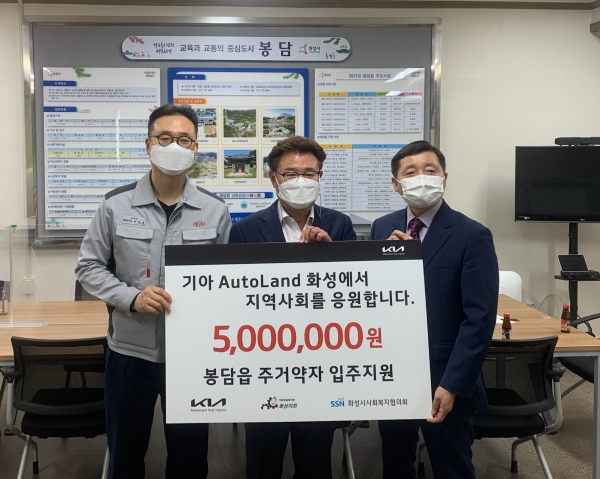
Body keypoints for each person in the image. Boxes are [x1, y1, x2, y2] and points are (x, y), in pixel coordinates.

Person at [76, 104, 231, 479]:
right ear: (148, 144)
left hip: (190, 355)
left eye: (184, 139)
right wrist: (131, 297)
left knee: (190, 459)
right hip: (130, 353)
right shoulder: (115, 205)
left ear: (196, 148)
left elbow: (226, 281)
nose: (174, 146)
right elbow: (88, 267)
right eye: (164, 138)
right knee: (126, 456)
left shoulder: (215, 210)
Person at [369, 140, 499, 479]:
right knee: (395, 463)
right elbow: (374, 299)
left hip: (445, 377)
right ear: (396, 184)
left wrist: (453, 384)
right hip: (394, 373)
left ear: (444, 178)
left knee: (451, 466)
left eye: (430, 170)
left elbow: (479, 319)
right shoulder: (382, 228)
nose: (422, 178)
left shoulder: (472, 235)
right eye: (410, 172)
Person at [229, 136, 356, 479]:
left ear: (320, 176)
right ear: (274, 178)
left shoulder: (339, 225)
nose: (301, 180)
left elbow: (354, 295)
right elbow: (233, 302)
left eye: (309, 173)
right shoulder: (244, 230)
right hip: (264, 365)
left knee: (315, 462)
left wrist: (330, 255)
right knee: (263, 461)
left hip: (320, 363)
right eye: (290, 173)